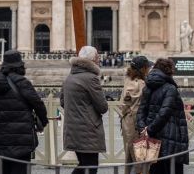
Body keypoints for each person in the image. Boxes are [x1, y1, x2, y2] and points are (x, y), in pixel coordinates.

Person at [0, 50, 47, 174]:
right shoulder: (22, 82)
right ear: (20, 65)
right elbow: (38, 104)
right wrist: (43, 121)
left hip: (1, 138)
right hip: (21, 138)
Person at [136, 58, 189, 174]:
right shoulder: (170, 88)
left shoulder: (148, 86)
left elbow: (140, 111)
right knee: (172, 169)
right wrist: (149, 130)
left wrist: (143, 129)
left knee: (156, 169)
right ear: (169, 71)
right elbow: (164, 113)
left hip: (153, 139)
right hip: (171, 138)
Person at [61, 46, 109, 174]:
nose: (99, 59)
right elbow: (103, 107)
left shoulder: (69, 77)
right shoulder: (91, 78)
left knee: (83, 165)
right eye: (98, 56)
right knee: (90, 167)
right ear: (92, 59)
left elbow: (62, 102)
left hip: (72, 130)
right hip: (88, 132)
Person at [119, 56, 150, 174]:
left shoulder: (128, 79)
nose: (149, 70)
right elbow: (128, 102)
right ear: (142, 69)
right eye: (147, 67)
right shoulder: (138, 83)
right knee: (138, 152)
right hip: (134, 122)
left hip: (128, 121)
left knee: (131, 151)